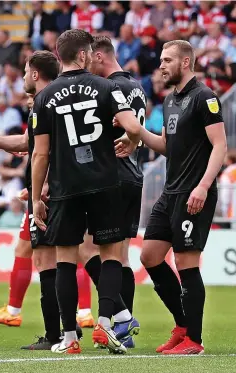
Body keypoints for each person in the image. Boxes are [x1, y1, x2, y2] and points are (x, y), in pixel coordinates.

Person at [30, 29, 142, 355]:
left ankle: (69, 338)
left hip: (67, 187)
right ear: (83, 55)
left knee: (65, 259)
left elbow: (40, 154)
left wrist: (37, 197)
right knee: (109, 255)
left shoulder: (44, 97)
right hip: (106, 183)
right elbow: (133, 126)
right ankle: (106, 324)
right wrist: (131, 141)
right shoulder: (107, 87)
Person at [0, 51, 88, 349]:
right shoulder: (56, 99)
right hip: (59, 189)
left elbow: (42, 152)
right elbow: (29, 143)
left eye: (25, 72)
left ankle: (62, 331)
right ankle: (73, 324)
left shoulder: (43, 101)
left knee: (51, 260)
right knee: (60, 257)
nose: (23, 77)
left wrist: (40, 189)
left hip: (50, 195)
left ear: (35, 74)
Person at [120, 40, 227, 355]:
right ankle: (182, 325)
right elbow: (167, 145)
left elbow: (219, 145)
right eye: (161, 60)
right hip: (171, 191)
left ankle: (195, 339)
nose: (161, 66)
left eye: (167, 60)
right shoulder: (169, 101)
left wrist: (203, 186)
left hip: (195, 191)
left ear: (186, 62)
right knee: (149, 256)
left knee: (185, 262)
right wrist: (136, 136)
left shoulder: (205, 98)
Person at [72, 35, 147, 349]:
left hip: (111, 175)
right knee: (121, 256)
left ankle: (123, 316)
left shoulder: (111, 89)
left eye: (90, 57)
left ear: (100, 55)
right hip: (133, 174)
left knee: (85, 248)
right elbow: (136, 132)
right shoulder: (137, 87)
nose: (88, 62)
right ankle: (123, 334)